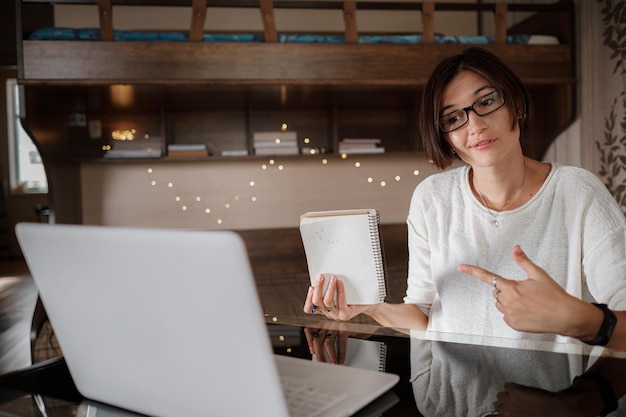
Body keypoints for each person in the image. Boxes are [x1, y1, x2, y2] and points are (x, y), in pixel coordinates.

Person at [303, 46, 626, 351]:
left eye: (486, 102)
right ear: (446, 139)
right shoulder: (431, 197)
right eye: (454, 118)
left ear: (517, 104)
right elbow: (424, 316)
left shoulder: (578, 191)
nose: (475, 125)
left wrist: (574, 318)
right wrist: (371, 307)